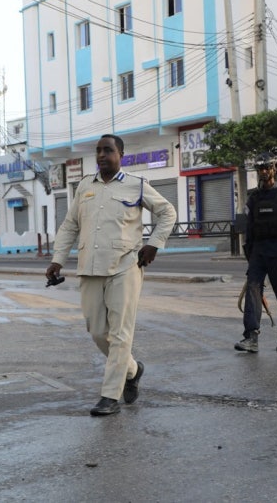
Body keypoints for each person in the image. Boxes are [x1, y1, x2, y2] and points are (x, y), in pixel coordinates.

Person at [46, 134, 176, 416]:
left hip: (125, 266)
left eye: (108, 150)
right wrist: (57, 260)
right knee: (97, 332)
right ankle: (133, 370)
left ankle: (110, 396)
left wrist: (154, 243)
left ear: (121, 155)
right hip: (90, 268)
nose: (102, 155)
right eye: (98, 151)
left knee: (120, 334)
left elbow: (167, 212)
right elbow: (70, 226)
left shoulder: (136, 185)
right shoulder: (84, 187)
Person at [235, 152, 277, 353]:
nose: (263, 171)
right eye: (260, 168)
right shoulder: (253, 198)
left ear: (274, 169)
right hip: (258, 253)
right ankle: (251, 337)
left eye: (267, 168)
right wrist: (250, 256)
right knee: (253, 294)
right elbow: (249, 228)